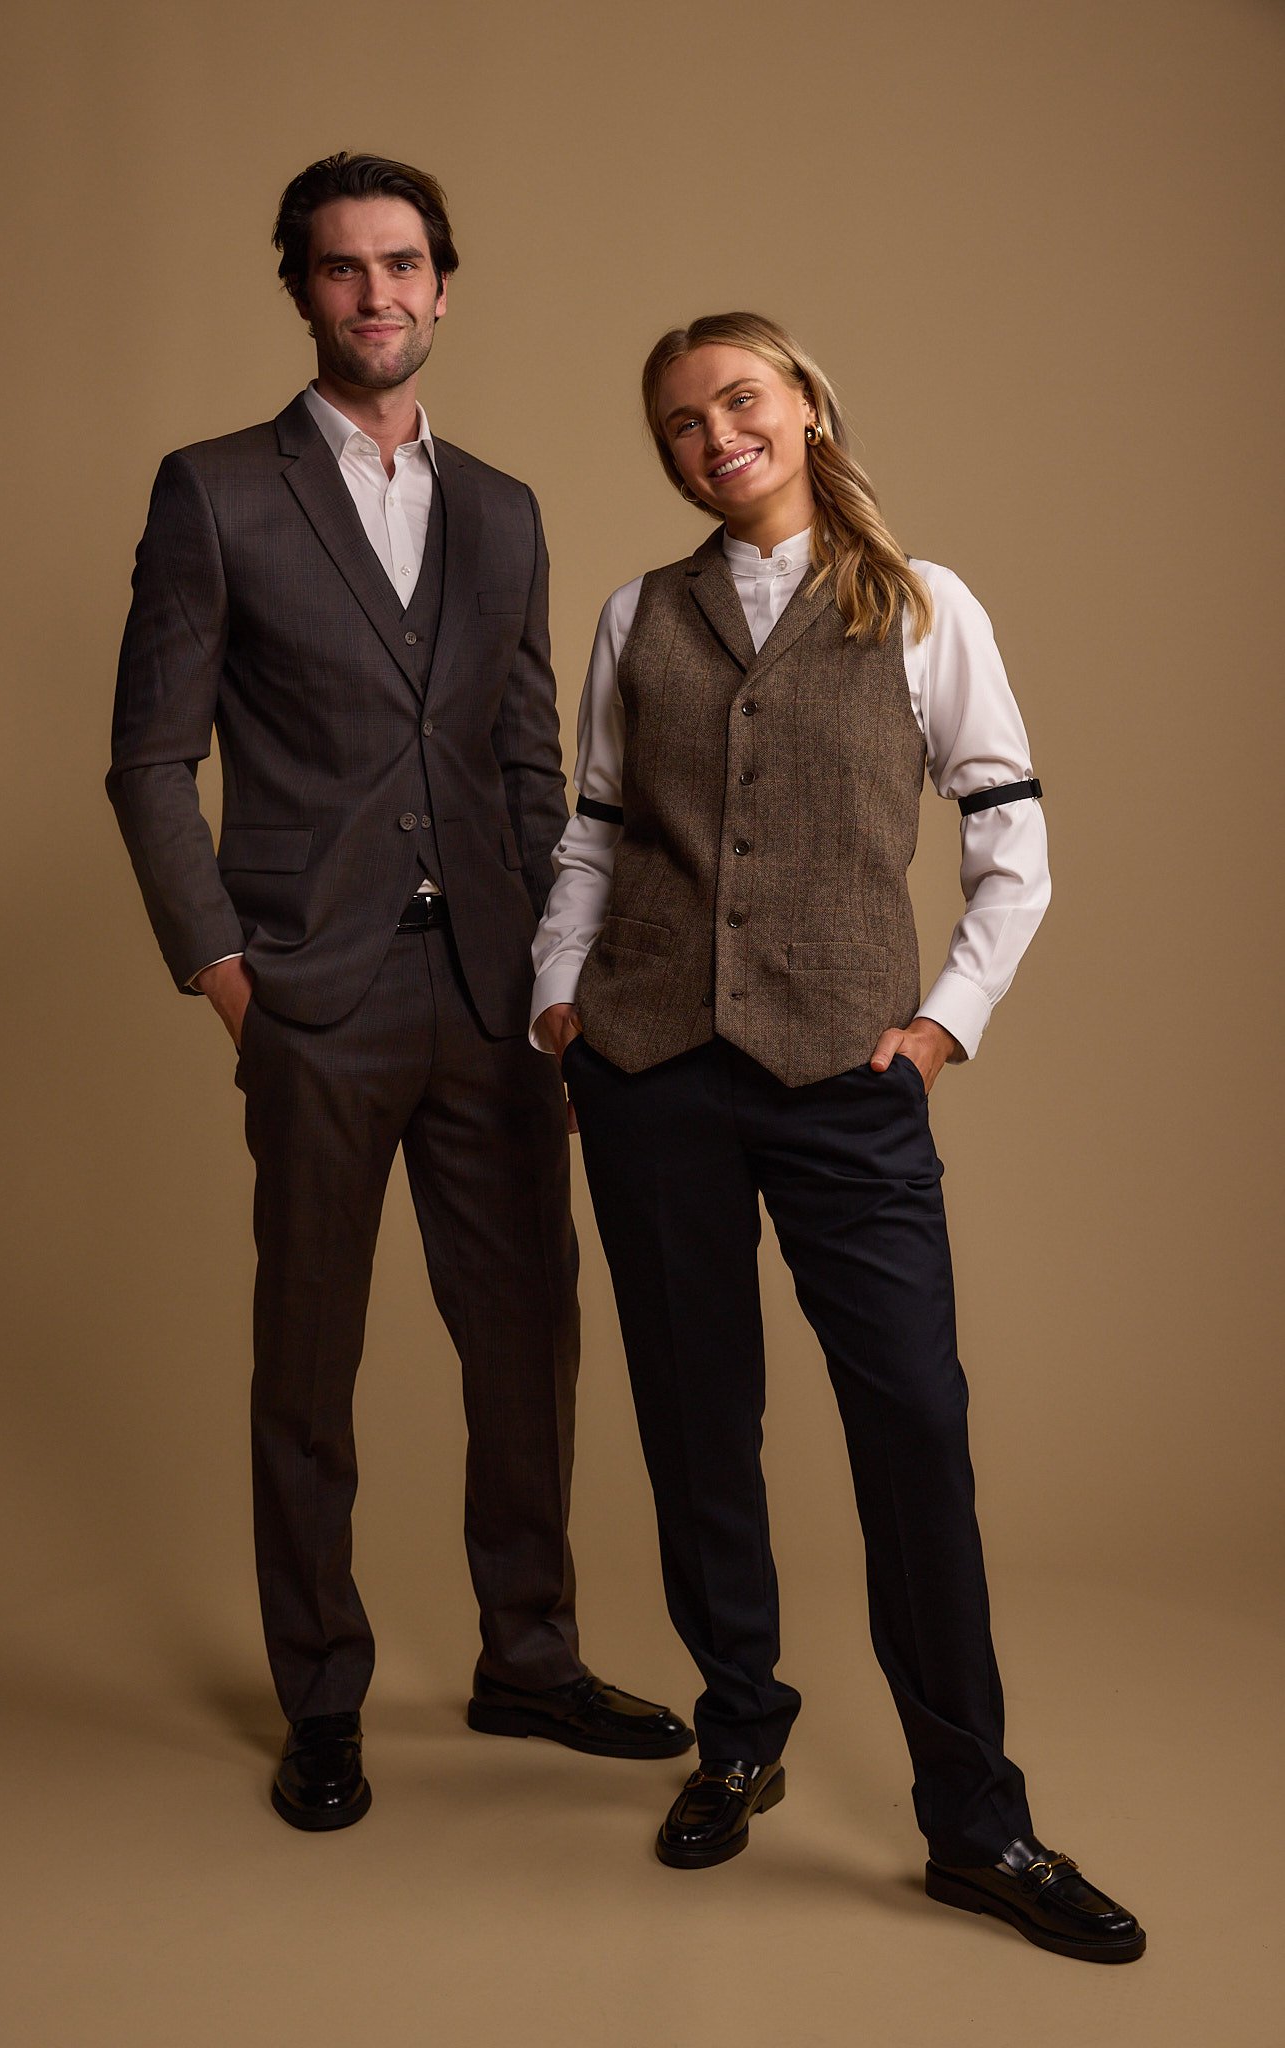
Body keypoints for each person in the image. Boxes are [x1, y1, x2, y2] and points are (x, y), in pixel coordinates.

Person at [531, 311, 1144, 1961]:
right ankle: (739, 1728)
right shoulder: (635, 615)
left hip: (845, 1078)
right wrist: (555, 1000)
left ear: (802, 405)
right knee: (695, 1420)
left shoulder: (922, 605)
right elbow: (594, 833)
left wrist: (942, 1022)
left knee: (913, 1430)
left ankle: (976, 1820)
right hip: (648, 1070)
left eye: (738, 399)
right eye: (678, 422)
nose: (711, 435)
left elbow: (1009, 838)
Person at [107, 152, 691, 1833]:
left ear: (444, 283)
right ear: (300, 288)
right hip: (313, 992)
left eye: (403, 263)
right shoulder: (216, 491)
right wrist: (228, 975)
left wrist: (557, 980)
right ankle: (321, 1694)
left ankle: (530, 1658)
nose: (377, 293)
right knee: (310, 1355)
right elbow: (149, 759)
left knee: (529, 1340)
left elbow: (528, 762)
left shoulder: (502, 509)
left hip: (494, 996)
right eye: (342, 267)